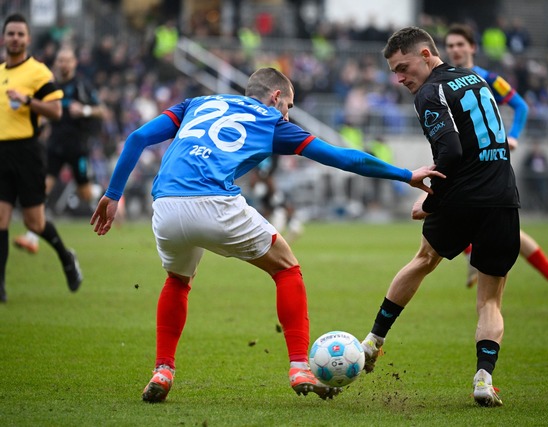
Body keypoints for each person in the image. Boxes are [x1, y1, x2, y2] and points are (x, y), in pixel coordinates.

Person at [90, 67, 443, 403]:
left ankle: (163, 371)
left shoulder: (195, 104)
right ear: (276, 97)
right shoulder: (271, 121)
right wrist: (404, 174)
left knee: (178, 281)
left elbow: (137, 137)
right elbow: (343, 158)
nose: (287, 115)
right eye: (288, 106)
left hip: (165, 205)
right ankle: (299, 367)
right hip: (214, 202)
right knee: (287, 268)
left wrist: (113, 194)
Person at [359, 27, 520, 408]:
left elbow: (449, 155)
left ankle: (373, 341)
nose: (400, 79)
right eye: (395, 72)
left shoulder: (431, 92)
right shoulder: (476, 79)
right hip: (502, 197)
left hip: (463, 197)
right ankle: (484, 377)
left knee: (424, 259)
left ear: (427, 54)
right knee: (491, 299)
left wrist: (429, 205)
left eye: (403, 67)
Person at [444, 24, 548, 317]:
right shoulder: (445, 81)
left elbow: (521, 106)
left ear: (472, 47)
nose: (454, 50)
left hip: (488, 163)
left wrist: (512, 135)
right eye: (450, 45)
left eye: (459, 44)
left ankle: (472, 256)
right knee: (504, 230)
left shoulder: (490, 79)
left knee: (453, 211)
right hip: (464, 162)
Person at [0, 14, 82, 303]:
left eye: (20, 34)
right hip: (2, 153)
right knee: (1, 220)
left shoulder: (38, 73)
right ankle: (0, 288)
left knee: (35, 224)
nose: (15, 39)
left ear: (28, 39)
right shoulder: (0, 73)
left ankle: (66, 257)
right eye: (11, 33)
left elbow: (57, 111)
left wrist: (27, 101)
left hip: (27, 152)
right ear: (3, 37)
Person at [14, 47, 104, 254]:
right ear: (56, 63)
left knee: (86, 193)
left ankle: (111, 197)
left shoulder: (82, 85)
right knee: (42, 188)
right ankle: (31, 238)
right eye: (60, 60)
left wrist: (85, 110)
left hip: (77, 147)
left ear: (74, 63)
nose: (64, 64)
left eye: (67, 60)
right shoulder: (50, 87)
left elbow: (102, 110)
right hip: (54, 146)